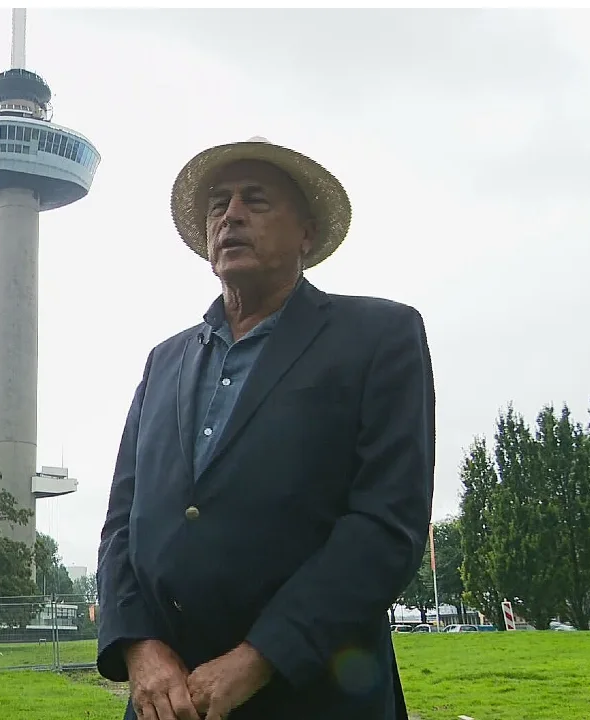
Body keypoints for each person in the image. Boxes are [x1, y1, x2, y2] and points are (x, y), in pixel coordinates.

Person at [96, 136, 436, 720]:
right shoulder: (163, 362)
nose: (230, 214)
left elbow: (386, 525)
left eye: (255, 199)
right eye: (217, 204)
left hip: (317, 696)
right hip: (167, 705)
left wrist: (257, 658)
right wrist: (139, 649)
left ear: (306, 234)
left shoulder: (380, 338)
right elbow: (122, 527)